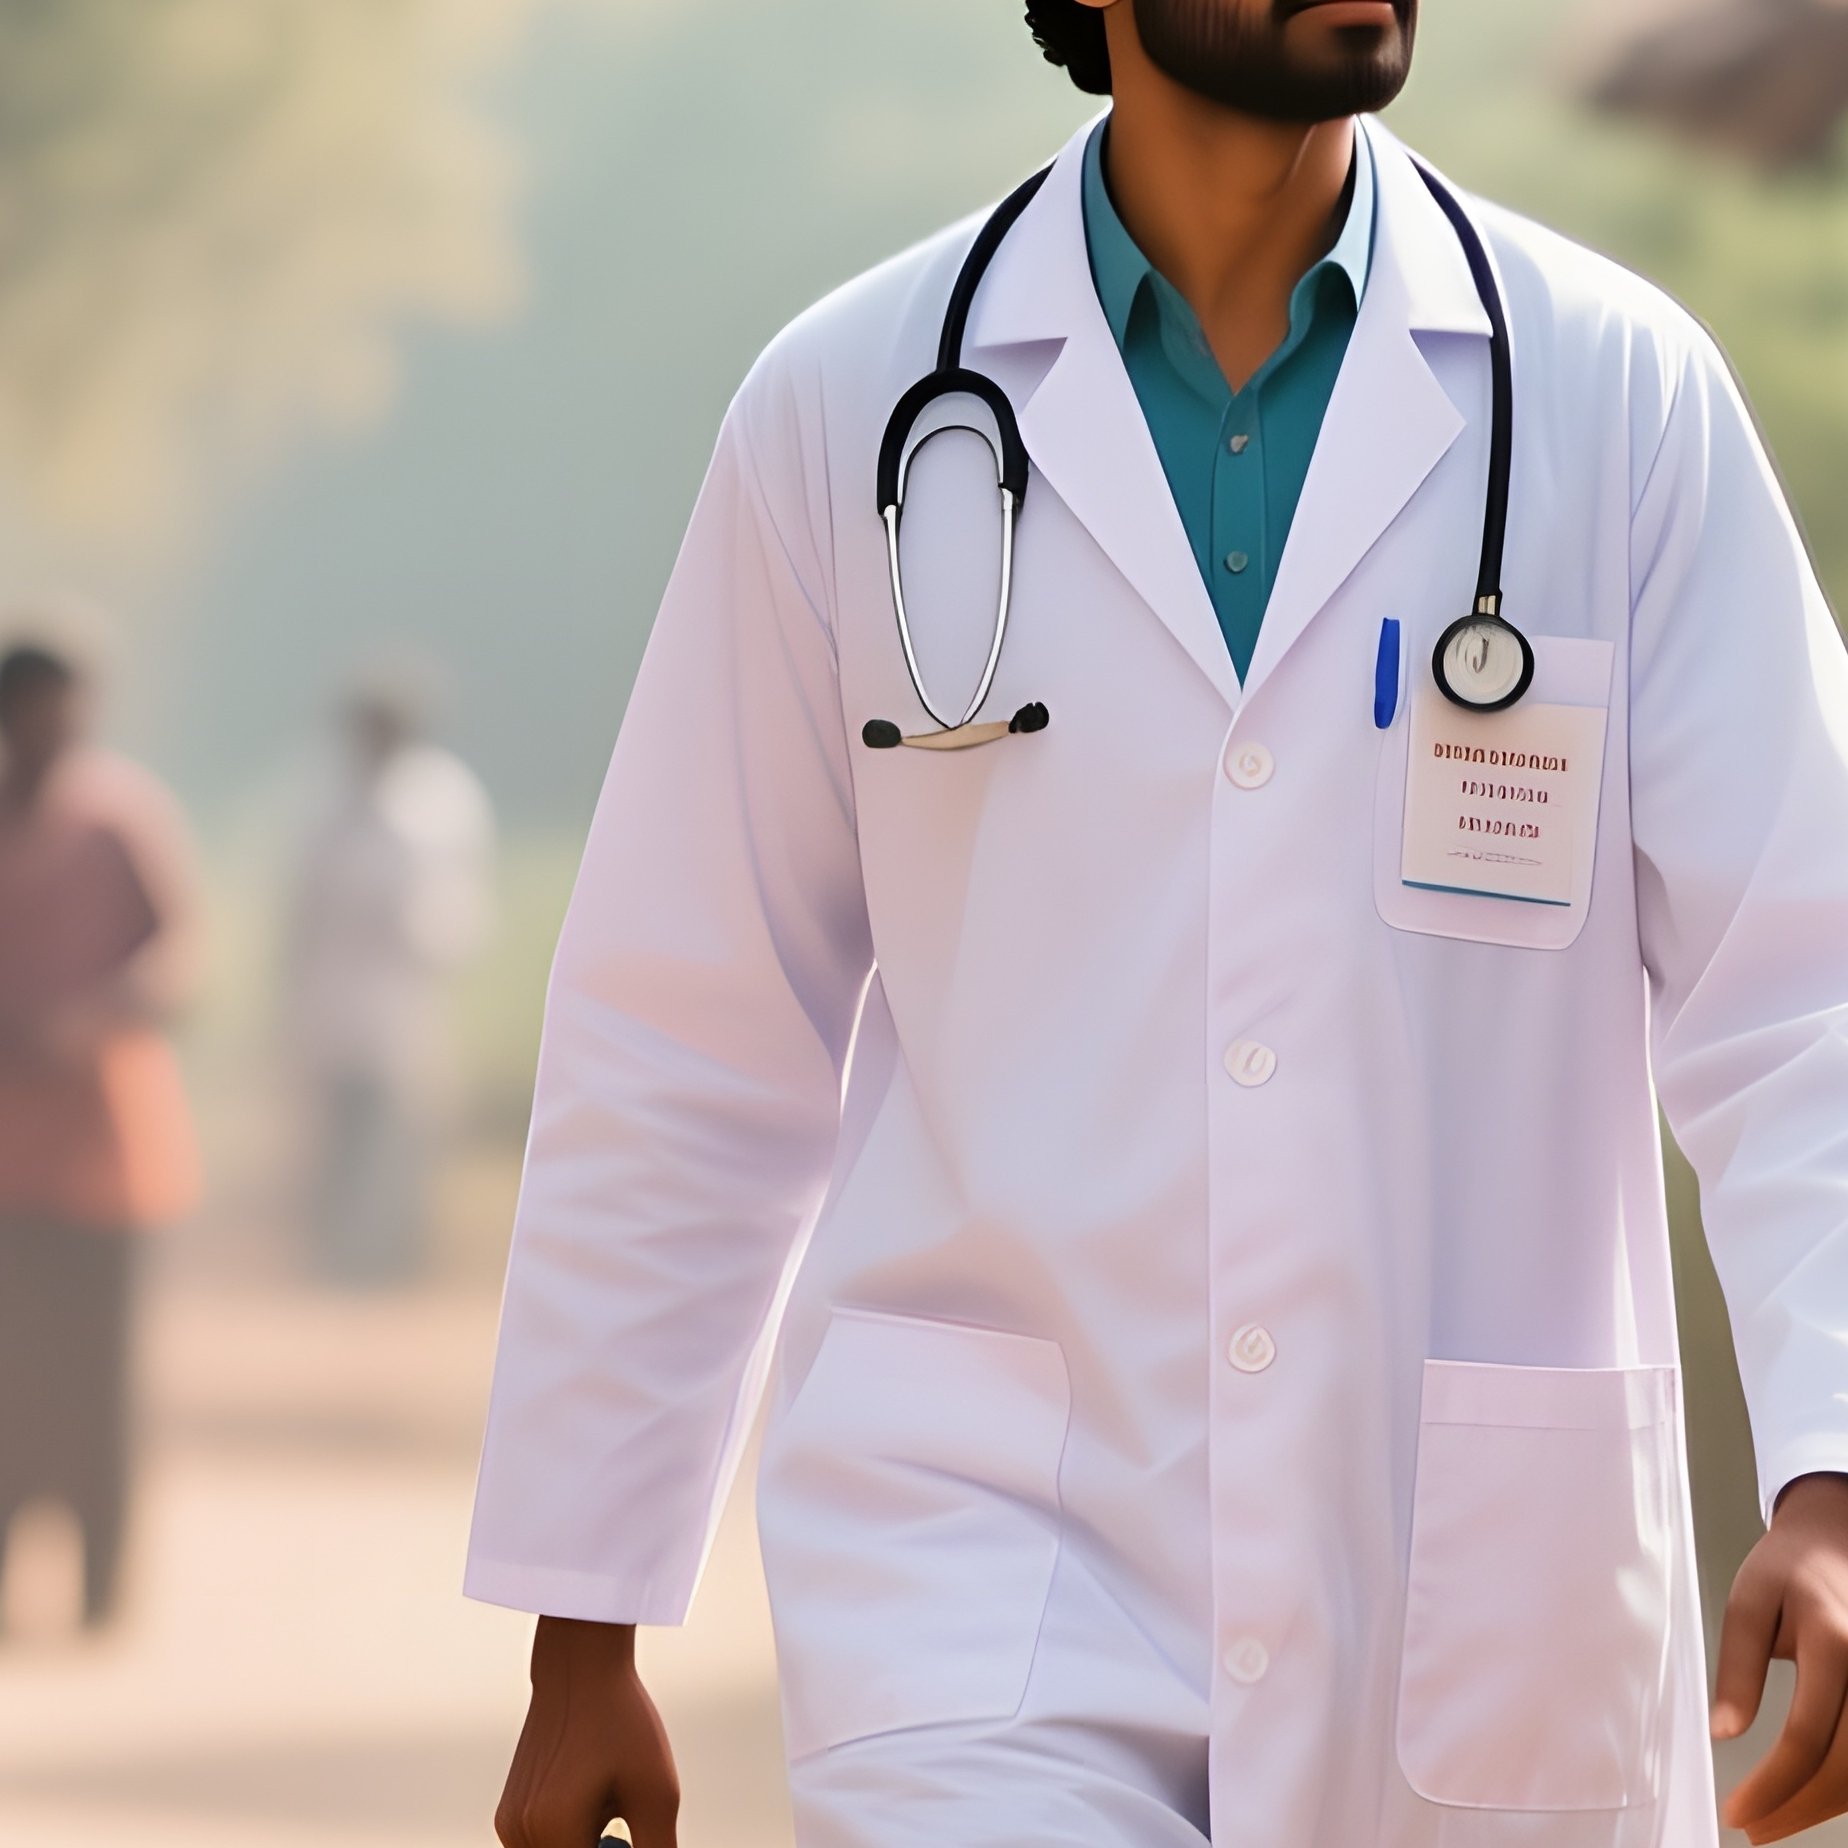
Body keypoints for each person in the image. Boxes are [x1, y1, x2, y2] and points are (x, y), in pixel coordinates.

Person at [467, 4, 1848, 1844]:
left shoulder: (1610, 395)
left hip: (1467, 1578)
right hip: (976, 1572)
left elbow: (1804, 979)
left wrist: (1830, 1469)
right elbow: (688, 1036)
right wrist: (585, 1624)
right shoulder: (851, 404)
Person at [0, 638, 200, 1630]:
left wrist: (87, 1018)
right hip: (9, 1161)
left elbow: (181, 957)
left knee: (98, 1380)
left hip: (106, 1154)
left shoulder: (119, 821)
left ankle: (99, 1591)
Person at [283, 676, 494, 1286]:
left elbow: (464, 901)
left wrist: (431, 941)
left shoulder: (440, 800)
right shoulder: (320, 795)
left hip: (409, 993)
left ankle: (397, 1265)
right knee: (338, 1132)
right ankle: (333, 1264)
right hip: (333, 991)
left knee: (402, 1132)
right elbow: (299, 908)